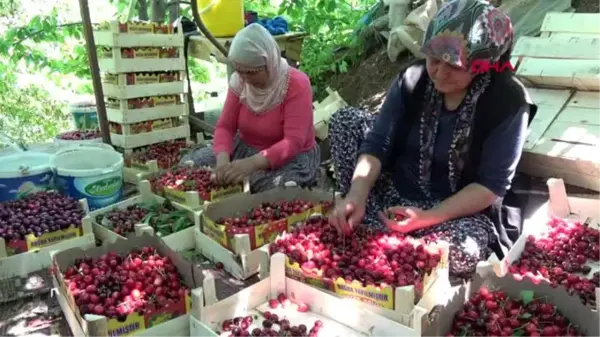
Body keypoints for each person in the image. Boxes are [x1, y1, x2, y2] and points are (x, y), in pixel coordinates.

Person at [328, 0, 537, 278]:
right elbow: (378, 142)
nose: (438, 72)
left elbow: (490, 186)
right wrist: (357, 193)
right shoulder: (413, 78)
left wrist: (427, 217)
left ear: (480, 65)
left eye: (453, 65)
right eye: (433, 59)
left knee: (463, 250)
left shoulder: (508, 102)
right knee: (346, 121)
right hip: (396, 188)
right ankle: (362, 213)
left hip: (454, 210)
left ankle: (390, 234)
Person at [181, 23, 320, 192]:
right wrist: (222, 162)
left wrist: (251, 164)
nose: (245, 78)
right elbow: (225, 126)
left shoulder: (296, 84)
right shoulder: (240, 81)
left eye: (252, 72)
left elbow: (293, 143)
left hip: (289, 158)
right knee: (190, 166)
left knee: (267, 187)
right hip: (244, 149)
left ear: (269, 63)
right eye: (240, 71)